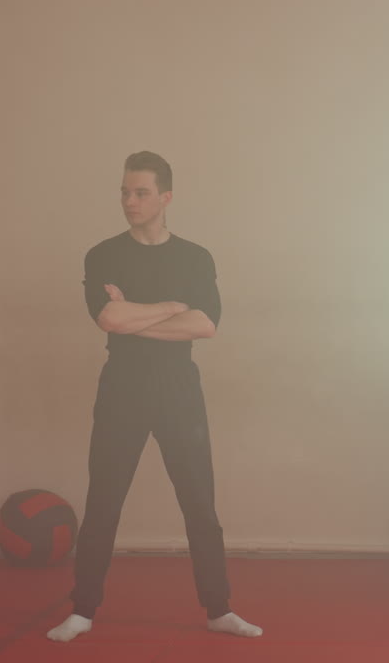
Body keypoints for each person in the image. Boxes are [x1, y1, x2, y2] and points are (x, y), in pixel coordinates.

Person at [47, 151, 261, 643]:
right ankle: (82, 610)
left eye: (141, 192)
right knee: (103, 502)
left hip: (179, 389)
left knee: (200, 506)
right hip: (121, 386)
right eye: (124, 191)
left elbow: (206, 325)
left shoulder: (194, 257)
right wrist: (172, 307)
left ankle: (218, 608)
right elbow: (109, 320)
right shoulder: (102, 254)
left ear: (166, 197)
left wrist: (136, 315)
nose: (130, 201)